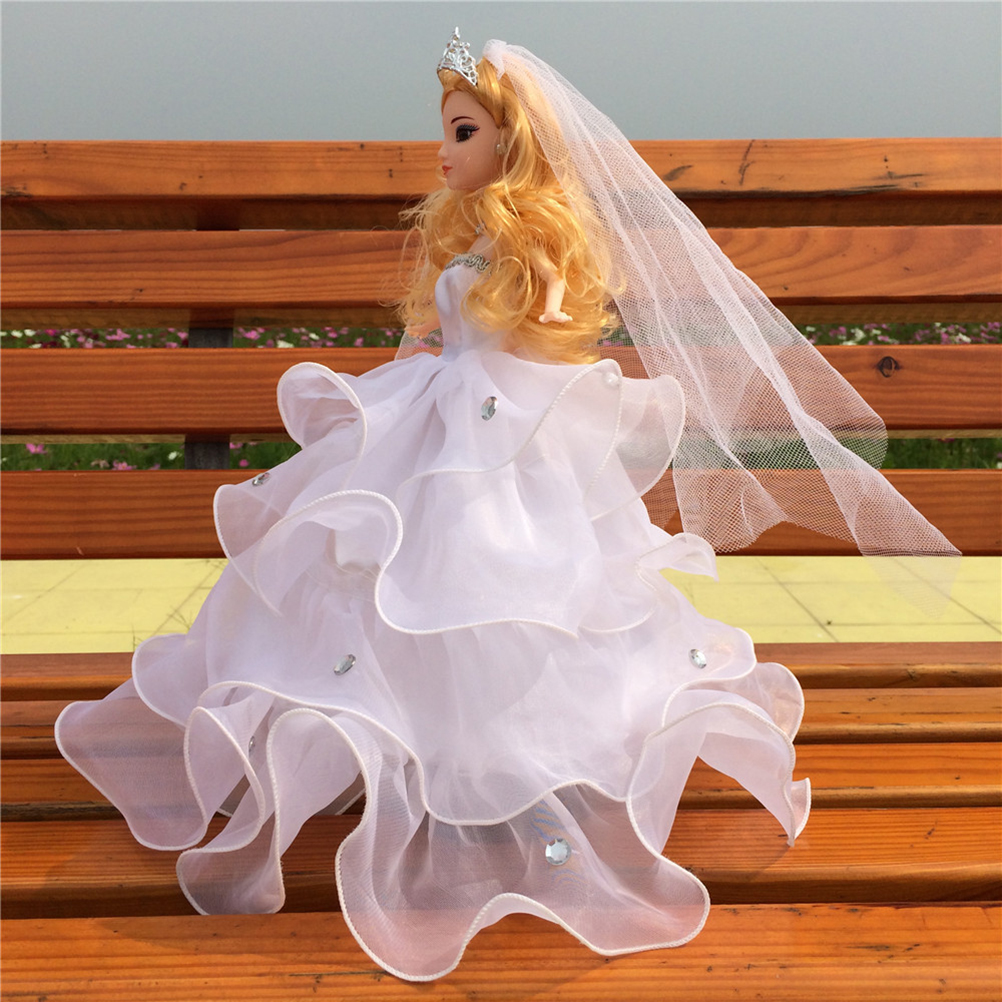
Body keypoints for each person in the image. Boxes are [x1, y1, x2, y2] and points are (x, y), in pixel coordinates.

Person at [55, 30, 958, 982]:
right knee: (393, 561)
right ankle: (404, 733)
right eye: (446, 130)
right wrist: (417, 358)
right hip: (439, 412)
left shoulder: (527, 241)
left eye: (463, 131)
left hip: (493, 424)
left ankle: (501, 752)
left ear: (512, 140)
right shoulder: (473, 235)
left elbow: (538, 310)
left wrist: (514, 341)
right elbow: (447, 325)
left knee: (491, 565)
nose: (444, 151)